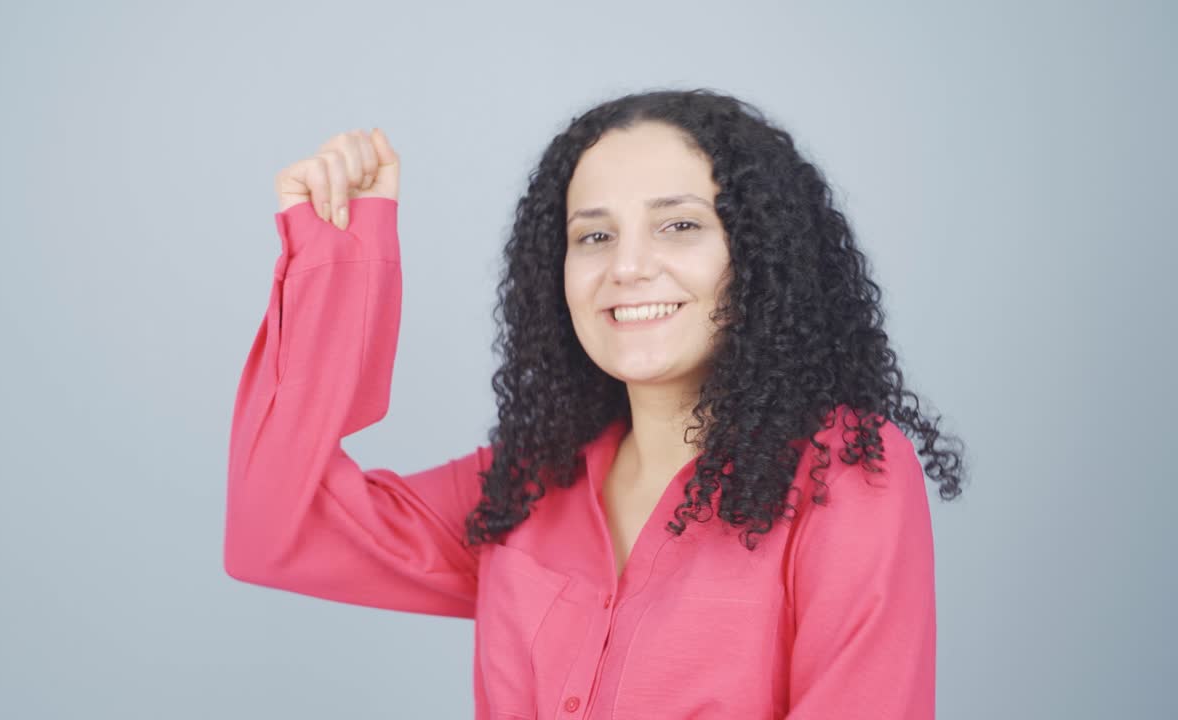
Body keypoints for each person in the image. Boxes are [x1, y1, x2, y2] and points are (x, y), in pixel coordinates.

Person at [224, 88, 968, 719]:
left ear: (761, 257)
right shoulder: (523, 486)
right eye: (594, 236)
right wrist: (337, 260)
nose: (628, 266)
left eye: (680, 225)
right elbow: (274, 528)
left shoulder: (840, 474)